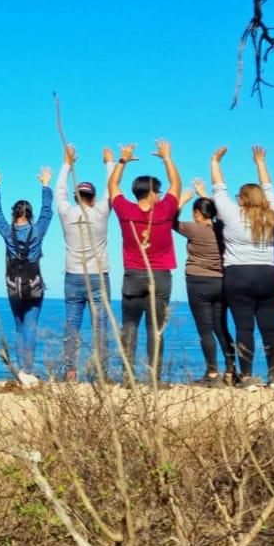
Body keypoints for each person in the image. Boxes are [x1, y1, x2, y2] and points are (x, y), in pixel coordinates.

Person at [209, 145, 274, 389]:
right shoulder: (272, 214)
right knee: (270, 328)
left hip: (238, 276)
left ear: (241, 199)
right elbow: (271, 190)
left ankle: (248, 377)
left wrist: (215, 162)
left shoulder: (231, 214)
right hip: (269, 275)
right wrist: (261, 162)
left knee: (244, 328)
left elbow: (219, 190)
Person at [109, 141, 181, 380]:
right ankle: (154, 378)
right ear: (152, 193)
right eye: (158, 191)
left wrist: (122, 160)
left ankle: (128, 377)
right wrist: (167, 157)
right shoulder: (165, 211)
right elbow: (176, 184)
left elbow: (112, 185)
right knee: (155, 329)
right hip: (159, 276)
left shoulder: (125, 211)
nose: (161, 195)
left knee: (129, 325)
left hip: (132, 275)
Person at [0, 166, 55, 385]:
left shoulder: (7, 231)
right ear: (29, 214)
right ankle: (28, 368)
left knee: (18, 326)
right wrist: (45, 185)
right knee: (31, 326)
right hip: (34, 283)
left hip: (13, 284)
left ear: (14, 214)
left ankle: (20, 368)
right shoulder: (38, 230)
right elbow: (47, 210)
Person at [54, 145, 113, 381]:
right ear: (93, 197)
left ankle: (70, 371)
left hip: (73, 276)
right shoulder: (100, 213)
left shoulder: (67, 213)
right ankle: (101, 372)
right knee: (100, 326)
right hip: (99, 276)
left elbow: (59, 191)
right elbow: (112, 190)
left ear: (77, 196)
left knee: (72, 325)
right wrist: (109, 163)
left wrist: (67, 163)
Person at [174, 189, 234, 385]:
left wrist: (181, 200)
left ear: (198, 214)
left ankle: (212, 374)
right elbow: (219, 214)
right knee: (221, 328)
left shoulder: (193, 228)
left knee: (205, 331)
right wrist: (207, 197)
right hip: (221, 282)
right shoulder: (222, 229)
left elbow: (170, 221)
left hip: (198, 282)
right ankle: (231, 372)